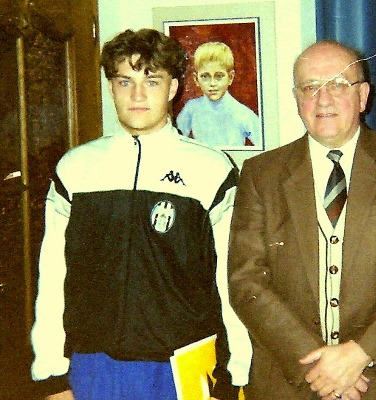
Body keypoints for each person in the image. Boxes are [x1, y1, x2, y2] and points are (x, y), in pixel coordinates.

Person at [30, 28, 251, 400]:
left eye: (151, 81)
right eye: (124, 81)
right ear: (111, 88)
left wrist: (233, 376)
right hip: (92, 366)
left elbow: (230, 281)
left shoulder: (212, 170)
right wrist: (51, 372)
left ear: (173, 87)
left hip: (183, 366)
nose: (137, 95)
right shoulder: (74, 168)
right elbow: (52, 275)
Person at [227, 40, 376, 400]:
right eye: (310, 87)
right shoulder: (260, 174)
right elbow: (245, 281)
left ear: (362, 96)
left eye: (339, 85)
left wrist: (361, 353)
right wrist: (318, 368)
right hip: (293, 380)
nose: (323, 99)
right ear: (297, 99)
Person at [176, 41, 261, 148]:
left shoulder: (242, 113)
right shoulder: (191, 109)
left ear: (230, 77)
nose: (212, 83)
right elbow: (175, 141)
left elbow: (265, 146)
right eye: (205, 76)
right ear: (196, 79)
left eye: (219, 76)